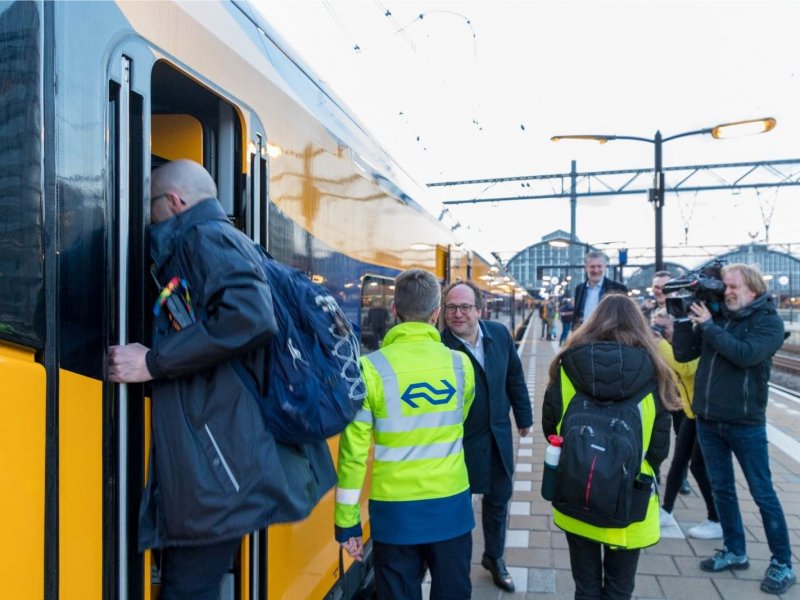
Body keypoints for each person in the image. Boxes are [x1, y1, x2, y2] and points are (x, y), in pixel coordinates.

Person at [108, 159, 321, 599]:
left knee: (187, 589)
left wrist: (155, 362)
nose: (146, 217)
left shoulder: (204, 237)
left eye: (148, 205)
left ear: (173, 201)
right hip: (220, 453)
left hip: (217, 462)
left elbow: (249, 316)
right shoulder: (217, 238)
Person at [334, 269, 476, 600]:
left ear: (395, 311)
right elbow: (459, 420)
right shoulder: (460, 366)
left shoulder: (369, 370)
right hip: (451, 509)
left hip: (395, 516)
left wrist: (347, 523)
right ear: (437, 313)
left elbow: (353, 456)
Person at [542, 294, 677, 600]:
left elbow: (551, 428)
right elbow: (658, 448)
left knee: (585, 588)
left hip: (577, 489)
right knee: (619, 589)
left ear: (593, 321)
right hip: (630, 499)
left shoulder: (566, 365)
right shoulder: (655, 372)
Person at [673, 263, 796, 594]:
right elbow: (684, 353)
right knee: (721, 489)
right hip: (709, 419)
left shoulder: (768, 322)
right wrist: (683, 316)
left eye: (733, 287)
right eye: (724, 286)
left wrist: (710, 325)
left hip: (744, 422)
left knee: (762, 492)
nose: (727, 292)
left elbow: (745, 355)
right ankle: (735, 550)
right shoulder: (720, 316)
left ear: (753, 290)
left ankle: (783, 563)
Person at [441, 280, 533, 593]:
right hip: (460, 442)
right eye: (451, 307)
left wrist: (524, 418)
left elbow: (515, 378)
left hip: (497, 435)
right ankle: (457, 566)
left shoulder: (499, 335)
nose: (458, 314)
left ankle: (494, 557)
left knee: (498, 500)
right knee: (459, 507)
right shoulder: (440, 348)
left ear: (480, 309)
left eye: (465, 307)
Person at [653, 312, 721, 539]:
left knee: (699, 467)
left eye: (665, 328)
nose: (663, 333)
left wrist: (660, 343)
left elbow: (686, 368)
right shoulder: (672, 344)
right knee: (680, 460)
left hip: (705, 414)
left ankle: (717, 518)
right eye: (658, 328)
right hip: (691, 412)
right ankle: (667, 510)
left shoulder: (693, 343)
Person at [572, 250, 628, 328]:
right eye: (592, 266)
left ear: (605, 267)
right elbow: (576, 315)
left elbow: (625, 317)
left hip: (608, 337)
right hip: (583, 336)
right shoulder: (579, 289)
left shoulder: (618, 288)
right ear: (586, 268)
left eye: (599, 266)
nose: (596, 270)